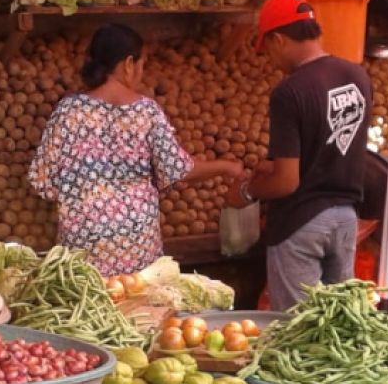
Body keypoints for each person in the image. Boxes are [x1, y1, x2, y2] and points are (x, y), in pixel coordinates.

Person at [30, 23, 242, 276]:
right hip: (136, 241)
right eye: (142, 64)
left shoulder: (68, 111)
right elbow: (178, 169)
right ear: (128, 63)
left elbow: (41, 181)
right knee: (139, 305)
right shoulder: (146, 112)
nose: (141, 73)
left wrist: (86, 202)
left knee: (88, 306)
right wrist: (226, 166)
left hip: (82, 244)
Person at [226, 0, 373, 311]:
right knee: (343, 323)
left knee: (297, 329)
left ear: (277, 40)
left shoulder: (290, 92)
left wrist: (247, 192)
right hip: (346, 220)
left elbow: (286, 183)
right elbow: (332, 143)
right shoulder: (357, 76)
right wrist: (275, 165)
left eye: (266, 50)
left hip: (302, 222)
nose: (269, 60)